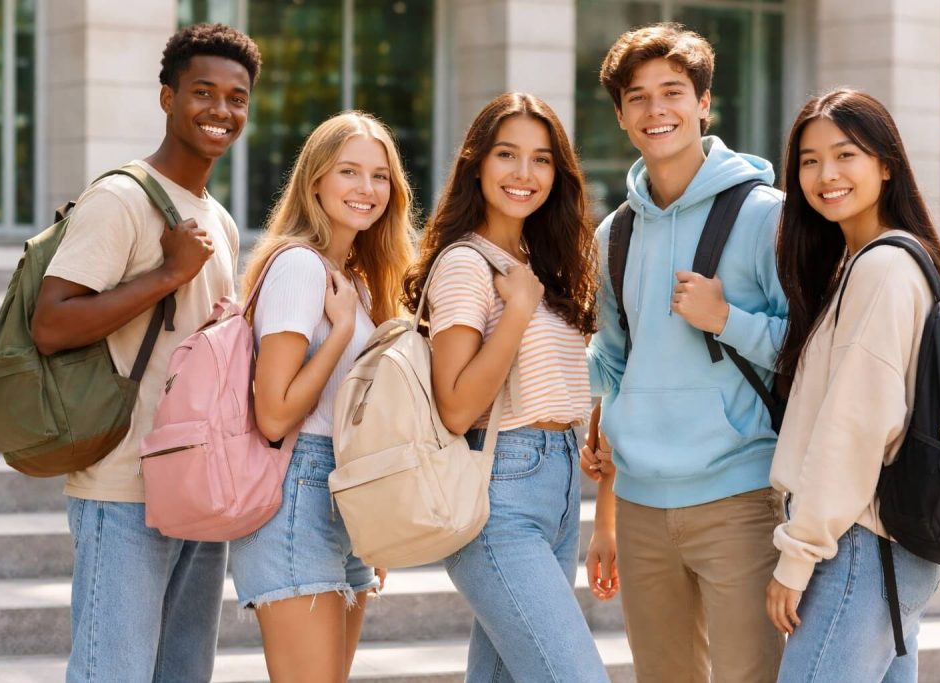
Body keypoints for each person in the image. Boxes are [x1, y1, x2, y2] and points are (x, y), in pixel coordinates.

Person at [29, 23, 259, 682]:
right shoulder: (121, 199)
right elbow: (52, 322)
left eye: (237, 98)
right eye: (204, 92)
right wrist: (165, 274)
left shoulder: (221, 220)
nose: (221, 111)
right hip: (124, 487)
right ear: (167, 98)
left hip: (196, 483)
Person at [580, 22, 789, 682]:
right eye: (637, 97)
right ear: (620, 115)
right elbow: (612, 369)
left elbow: (811, 352)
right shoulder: (615, 234)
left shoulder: (766, 215)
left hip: (740, 500)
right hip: (641, 508)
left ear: (704, 103)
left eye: (672, 92)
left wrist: (726, 317)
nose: (655, 110)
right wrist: (606, 514)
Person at [401, 92, 606, 682]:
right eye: (507, 155)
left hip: (559, 484)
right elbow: (458, 407)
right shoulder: (467, 263)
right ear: (476, 164)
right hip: (500, 489)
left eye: (541, 159)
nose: (524, 174)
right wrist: (515, 313)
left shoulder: (539, 262)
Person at [765, 89, 940, 682]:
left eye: (845, 154)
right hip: (885, 547)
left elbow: (854, 428)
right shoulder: (877, 262)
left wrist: (796, 558)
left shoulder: (881, 268)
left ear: (885, 164)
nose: (825, 174)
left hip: (858, 547)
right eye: (808, 159)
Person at [230, 111, 415, 682]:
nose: (367, 189)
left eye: (380, 176)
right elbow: (275, 413)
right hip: (297, 491)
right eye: (349, 172)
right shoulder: (298, 268)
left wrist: (376, 519)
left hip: (346, 493)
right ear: (315, 182)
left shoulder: (356, 280)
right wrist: (337, 335)